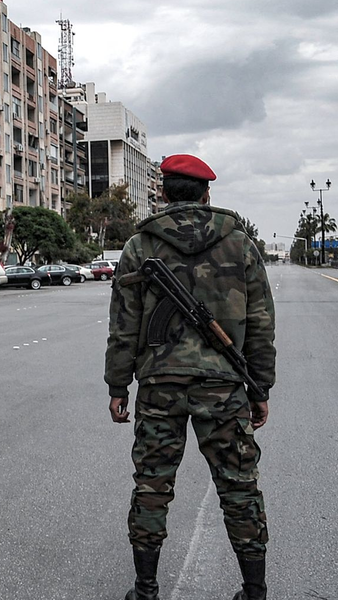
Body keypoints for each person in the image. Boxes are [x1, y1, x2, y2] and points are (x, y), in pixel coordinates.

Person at [106, 154, 275, 600]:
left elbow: (123, 325)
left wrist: (117, 386)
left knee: (152, 485)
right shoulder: (240, 245)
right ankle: (255, 591)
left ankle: (145, 590)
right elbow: (260, 323)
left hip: (160, 387)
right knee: (239, 486)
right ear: (206, 194)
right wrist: (260, 388)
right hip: (223, 388)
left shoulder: (139, 247)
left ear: (162, 192)